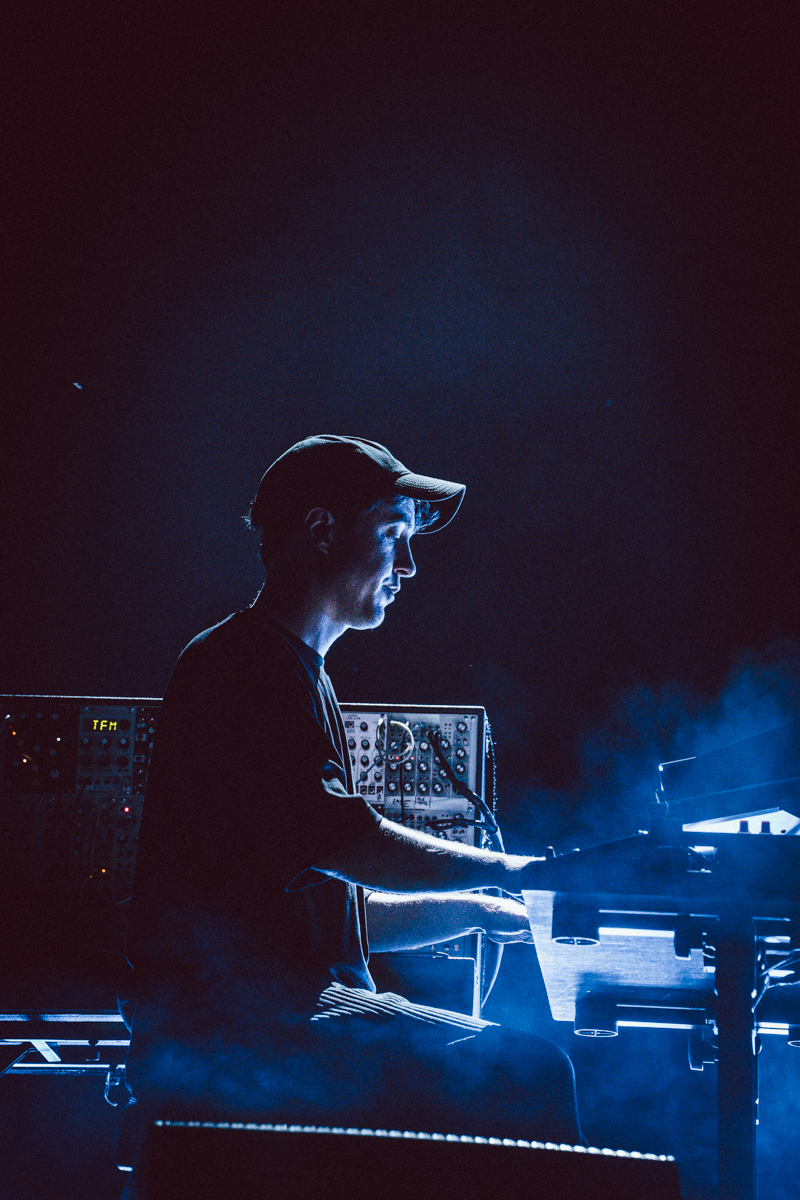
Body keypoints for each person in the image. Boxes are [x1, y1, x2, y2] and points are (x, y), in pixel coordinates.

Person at [120, 435, 580, 1182]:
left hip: (281, 1014)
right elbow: (348, 842)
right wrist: (521, 872)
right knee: (531, 1076)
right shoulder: (243, 666)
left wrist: (483, 909)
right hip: (251, 1031)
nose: (409, 566)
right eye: (394, 535)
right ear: (322, 531)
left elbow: (326, 911)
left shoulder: (298, 673)